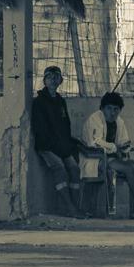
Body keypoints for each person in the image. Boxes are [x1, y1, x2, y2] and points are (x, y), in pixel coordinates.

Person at [81, 92, 134, 219]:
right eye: (109, 108)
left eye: (116, 109)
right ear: (102, 108)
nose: (112, 112)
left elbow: (124, 141)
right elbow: (95, 142)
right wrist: (114, 147)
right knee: (129, 168)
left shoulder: (119, 121)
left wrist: (124, 147)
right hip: (95, 159)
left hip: (112, 158)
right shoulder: (95, 119)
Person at [31, 65, 84, 218]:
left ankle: (74, 207)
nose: (53, 80)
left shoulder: (61, 101)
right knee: (59, 168)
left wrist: (69, 144)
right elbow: (40, 129)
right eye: (50, 77)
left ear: (61, 80)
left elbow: (65, 126)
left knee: (74, 169)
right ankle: (69, 208)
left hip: (61, 146)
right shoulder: (39, 102)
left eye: (56, 77)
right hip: (46, 146)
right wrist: (55, 145)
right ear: (44, 81)